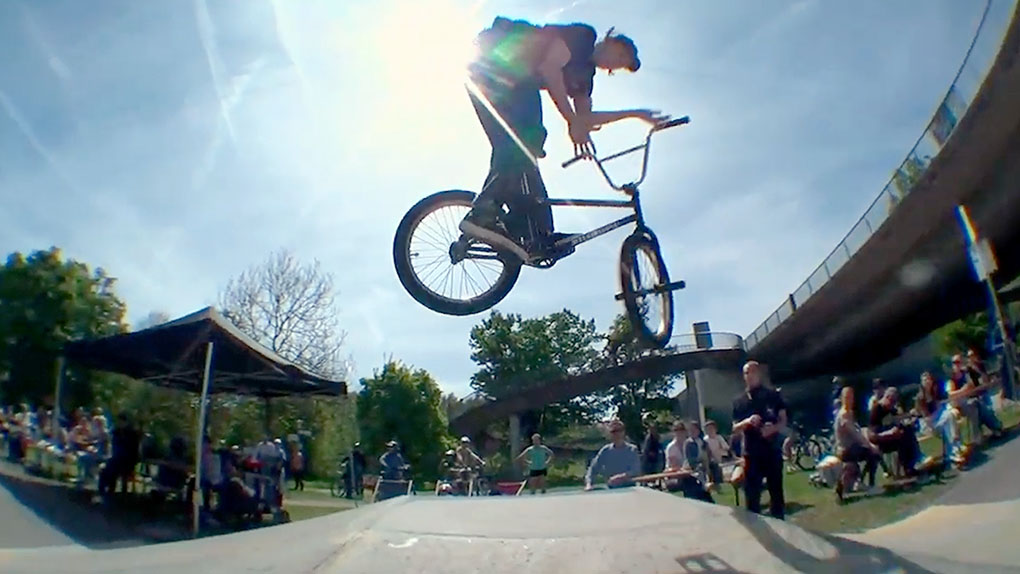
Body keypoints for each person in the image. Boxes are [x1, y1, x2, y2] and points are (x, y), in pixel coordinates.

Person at [461, 16, 669, 262]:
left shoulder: (584, 80)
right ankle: (483, 212)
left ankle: (536, 234)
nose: (616, 62)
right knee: (526, 141)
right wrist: (571, 119)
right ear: (610, 40)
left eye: (621, 64)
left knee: (527, 158)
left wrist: (634, 114)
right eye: (620, 54)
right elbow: (549, 69)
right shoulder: (583, 38)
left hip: (511, 84)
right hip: (497, 69)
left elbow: (587, 118)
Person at [731, 360, 788, 520]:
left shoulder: (773, 396)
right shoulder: (740, 401)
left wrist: (773, 428)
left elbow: (783, 420)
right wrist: (747, 421)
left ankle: (780, 521)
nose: (749, 376)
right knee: (752, 496)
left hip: (772, 451)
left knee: (776, 493)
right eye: (746, 373)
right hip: (751, 453)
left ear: (759, 374)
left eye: (752, 372)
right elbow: (735, 428)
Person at [584, 420, 640, 490]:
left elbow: (635, 470)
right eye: (613, 431)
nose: (617, 434)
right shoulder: (605, 450)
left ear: (624, 432)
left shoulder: (632, 449)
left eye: (619, 430)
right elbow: (593, 469)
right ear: (610, 434)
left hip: (630, 488)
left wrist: (620, 477)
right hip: (611, 489)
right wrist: (589, 484)